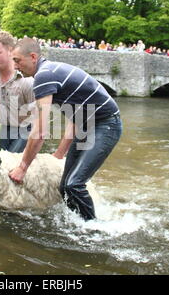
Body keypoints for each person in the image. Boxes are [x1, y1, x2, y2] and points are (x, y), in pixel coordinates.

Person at [9, 37, 122, 221]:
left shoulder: (44, 77)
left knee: (74, 185)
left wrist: (22, 168)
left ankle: (95, 229)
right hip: (87, 125)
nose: (15, 66)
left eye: (17, 60)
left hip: (106, 124)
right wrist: (60, 154)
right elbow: (75, 116)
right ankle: (78, 223)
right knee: (64, 187)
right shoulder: (49, 71)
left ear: (33, 56)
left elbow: (39, 132)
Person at [0, 31, 35, 153]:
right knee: (4, 163)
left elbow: (40, 115)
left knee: (12, 163)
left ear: (11, 51)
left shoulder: (27, 80)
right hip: (5, 126)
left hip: (26, 128)